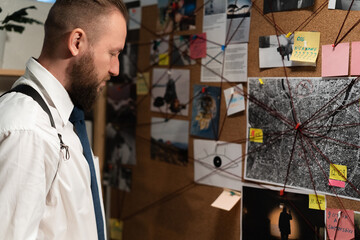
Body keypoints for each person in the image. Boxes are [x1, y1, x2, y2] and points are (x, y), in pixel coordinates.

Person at [0, 0, 128, 239]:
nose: (115, 69)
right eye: (113, 53)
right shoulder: (28, 130)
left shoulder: (62, 117)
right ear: (76, 42)